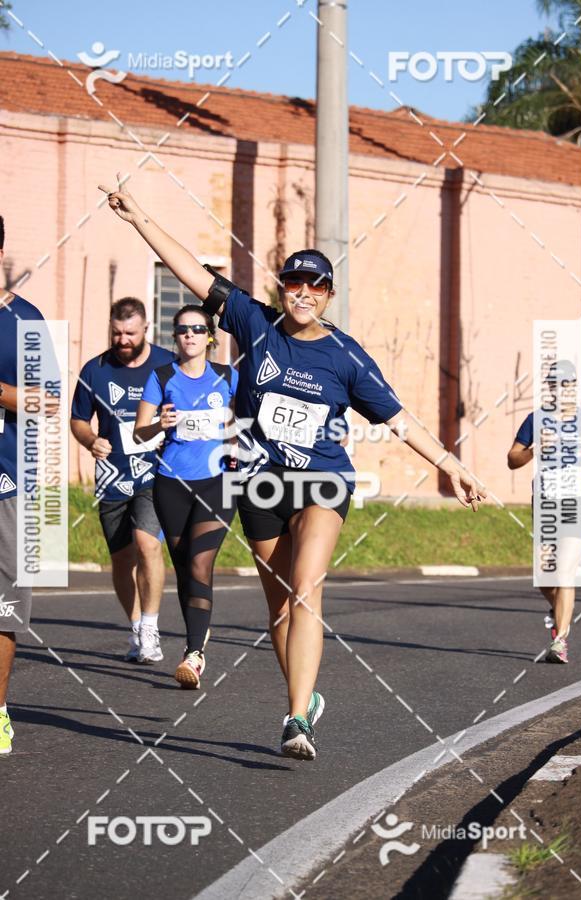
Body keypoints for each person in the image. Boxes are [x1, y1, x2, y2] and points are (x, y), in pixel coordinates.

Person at [99, 176, 485, 762]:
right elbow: (193, 275)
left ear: (328, 294)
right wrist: (139, 218)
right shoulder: (255, 325)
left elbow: (398, 418)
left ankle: (296, 718)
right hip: (258, 481)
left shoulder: (346, 356)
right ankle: (303, 695)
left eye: (314, 285)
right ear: (282, 288)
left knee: (305, 591)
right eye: (293, 282)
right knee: (279, 604)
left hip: (321, 482)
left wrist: (451, 464)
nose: (302, 292)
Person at [134, 305, 238, 688]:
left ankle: (194, 655)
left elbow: (246, 423)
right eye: (182, 330)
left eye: (197, 329)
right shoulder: (161, 377)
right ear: (175, 337)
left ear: (210, 335)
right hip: (171, 483)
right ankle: (195, 641)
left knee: (199, 563)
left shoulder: (229, 377)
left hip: (219, 482)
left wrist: (236, 445)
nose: (190, 335)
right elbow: (139, 433)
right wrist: (157, 425)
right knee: (184, 568)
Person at [71, 298, 174, 663]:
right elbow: (79, 420)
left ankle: (151, 628)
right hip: (113, 475)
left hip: (155, 471)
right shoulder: (94, 370)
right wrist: (90, 440)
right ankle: (135, 628)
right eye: (116, 332)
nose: (123, 339)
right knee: (121, 559)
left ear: (146, 329)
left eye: (130, 333)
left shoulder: (167, 364)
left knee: (147, 543)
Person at [508, 379, 581, 663]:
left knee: (565, 572)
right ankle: (557, 609)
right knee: (546, 578)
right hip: (547, 501)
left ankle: (560, 642)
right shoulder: (535, 419)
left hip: (578, 500)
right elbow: (512, 459)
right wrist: (536, 449)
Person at [0, 215, 45, 754]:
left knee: (3, 608)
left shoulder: (26, 321)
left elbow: (48, 401)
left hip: (10, 485)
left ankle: (0, 711)